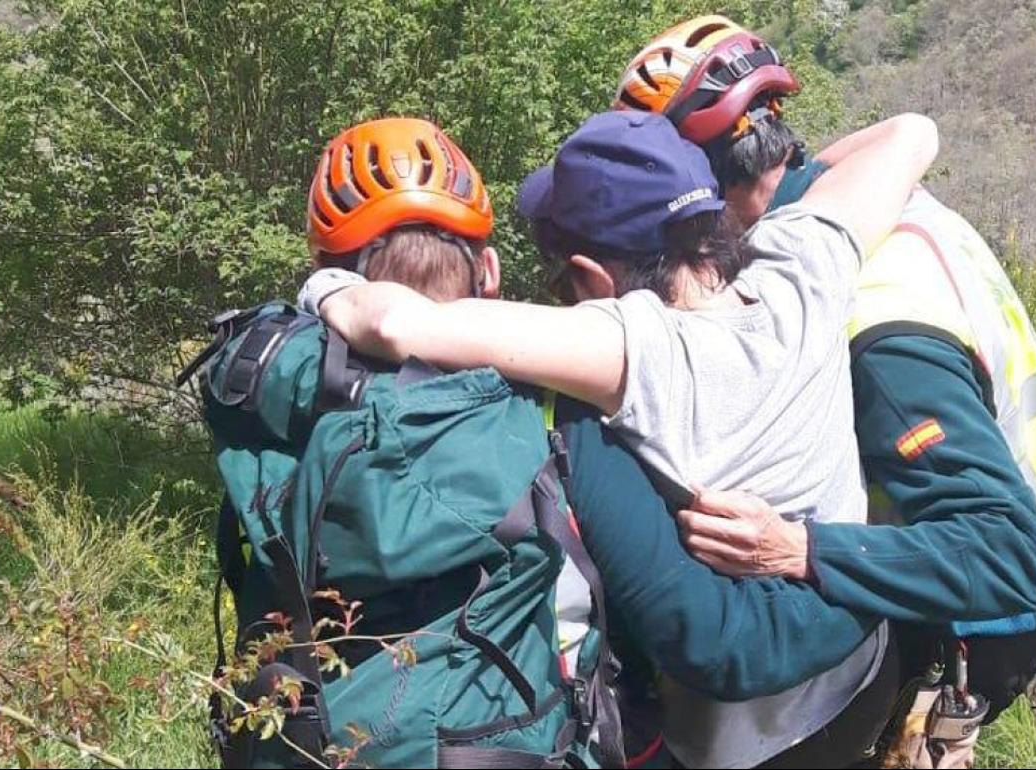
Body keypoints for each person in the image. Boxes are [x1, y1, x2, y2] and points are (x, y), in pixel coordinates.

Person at [298, 106, 939, 767]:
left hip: (748, 729)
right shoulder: (804, 259)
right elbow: (913, 133)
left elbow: (403, 327)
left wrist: (322, 289)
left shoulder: (628, 345)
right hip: (858, 671)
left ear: (596, 282)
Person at [616, 13, 1036, 763]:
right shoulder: (861, 201)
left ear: (704, 185)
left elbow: (1010, 555)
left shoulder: (871, 319)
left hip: (993, 606)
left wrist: (798, 549)